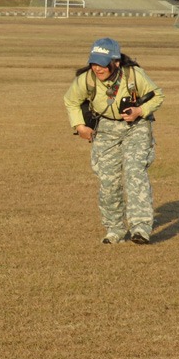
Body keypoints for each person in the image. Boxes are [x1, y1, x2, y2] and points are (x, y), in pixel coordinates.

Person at [64, 38, 164, 245]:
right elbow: (71, 101)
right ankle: (115, 229)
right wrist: (80, 126)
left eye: (102, 63)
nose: (97, 68)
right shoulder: (86, 79)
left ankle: (141, 228)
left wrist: (140, 110)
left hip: (136, 127)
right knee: (108, 181)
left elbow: (157, 96)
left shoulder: (134, 75)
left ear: (116, 62)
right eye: (94, 63)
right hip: (105, 129)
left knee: (134, 172)